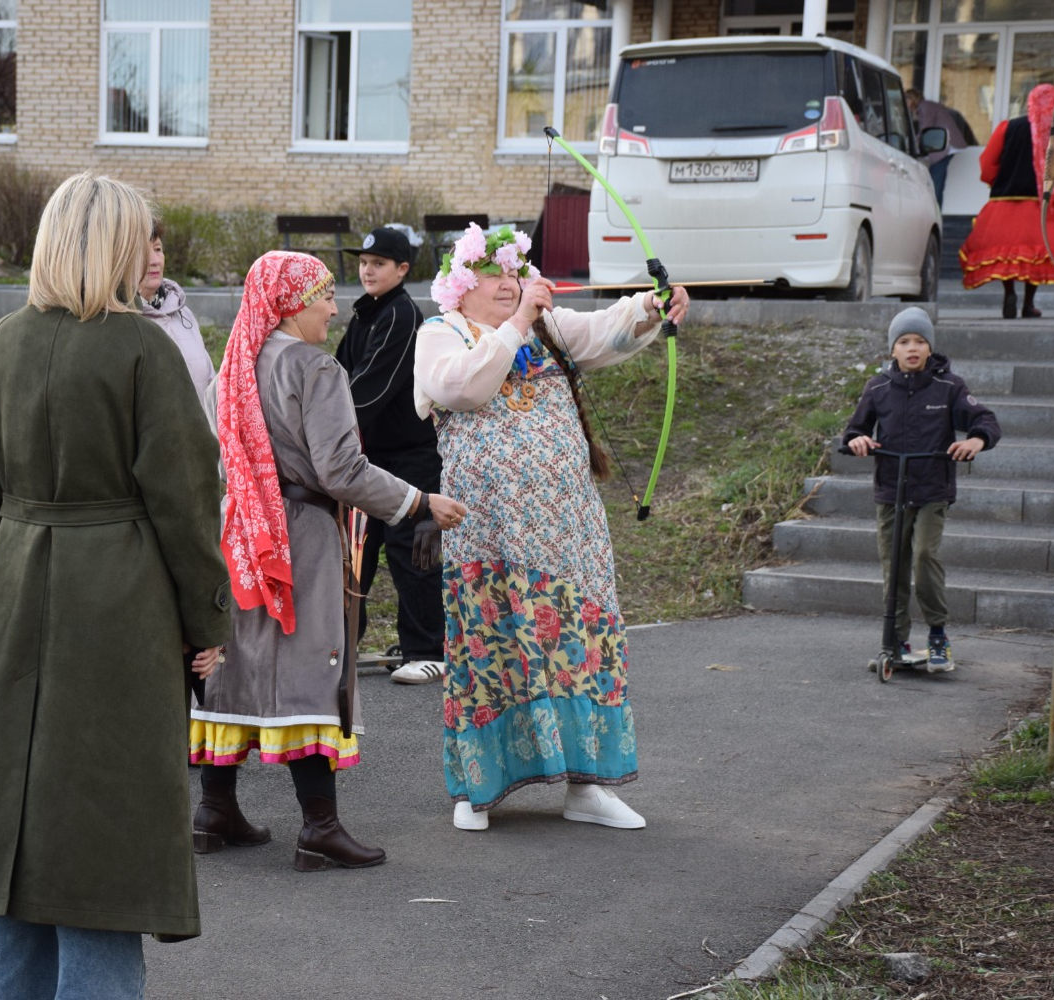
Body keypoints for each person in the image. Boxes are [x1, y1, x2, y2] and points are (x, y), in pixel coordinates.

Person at [0, 174, 231, 999]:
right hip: (119, 605)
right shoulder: (142, 349)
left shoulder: (3, 341)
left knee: (17, 822)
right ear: (114, 246)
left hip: (17, 586)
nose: (151, 253)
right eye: (141, 238)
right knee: (106, 831)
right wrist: (206, 620)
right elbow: (186, 497)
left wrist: (6, 562)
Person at [191, 250, 467, 872]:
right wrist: (417, 500)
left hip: (239, 531)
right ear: (291, 304)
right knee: (312, 666)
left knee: (235, 662)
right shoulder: (316, 370)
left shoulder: (230, 370)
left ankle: (214, 810)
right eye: (322, 296)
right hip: (299, 536)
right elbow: (340, 469)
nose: (333, 309)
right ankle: (319, 826)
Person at [412, 223, 689, 833]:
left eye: (516, 275)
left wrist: (651, 306)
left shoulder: (546, 329)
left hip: (569, 531)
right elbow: (461, 387)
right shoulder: (440, 334)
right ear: (461, 287)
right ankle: (478, 789)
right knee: (491, 649)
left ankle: (588, 786)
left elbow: (606, 330)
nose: (509, 285)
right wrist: (517, 324)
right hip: (489, 536)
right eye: (493, 276)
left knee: (580, 647)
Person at [842, 307, 1000, 673]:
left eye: (919, 341)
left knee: (925, 557)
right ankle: (895, 639)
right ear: (892, 349)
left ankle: (938, 636)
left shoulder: (949, 386)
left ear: (930, 347)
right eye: (903, 341)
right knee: (894, 566)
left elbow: (984, 419)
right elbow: (854, 430)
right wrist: (857, 440)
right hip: (891, 490)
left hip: (932, 488)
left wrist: (976, 440)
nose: (912, 348)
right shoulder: (878, 387)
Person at [334, 226, 446, 685]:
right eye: (363, 262)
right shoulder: (366, 312)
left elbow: (369, 389)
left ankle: (428, 649)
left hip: (411, 456)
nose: (367, 270)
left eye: (378, 263)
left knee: (412, 550)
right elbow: (339, 372)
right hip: (370, 455)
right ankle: (340, 645)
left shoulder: (401, 314)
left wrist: (328, 421)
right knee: (355, 551)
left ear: (402, 269)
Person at [960, 83, 1054, 318]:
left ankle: (1009, 293)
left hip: (1005, 201)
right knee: (1038, 254)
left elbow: (987, 163)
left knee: (1007, 253)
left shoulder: (1008, 127)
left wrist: (996, 180)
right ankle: (1028, 304)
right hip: (1043, 205)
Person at [139, 218, 214, 398]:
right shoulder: (122, 319)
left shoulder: (182, 312)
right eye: (142, 252)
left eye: (158, 249)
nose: (155, 261)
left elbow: (209, 378)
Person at [904, 87, 967, 207]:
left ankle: (935, 210)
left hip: (946, 145)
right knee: (936, 178)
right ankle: (936, 209)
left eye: (906, 100)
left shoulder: (925, 107)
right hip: (944, 145)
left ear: (912, 99)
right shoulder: (924, 107)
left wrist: (910, 143)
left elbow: (925, 129)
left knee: (935, 180)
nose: (904, 103)